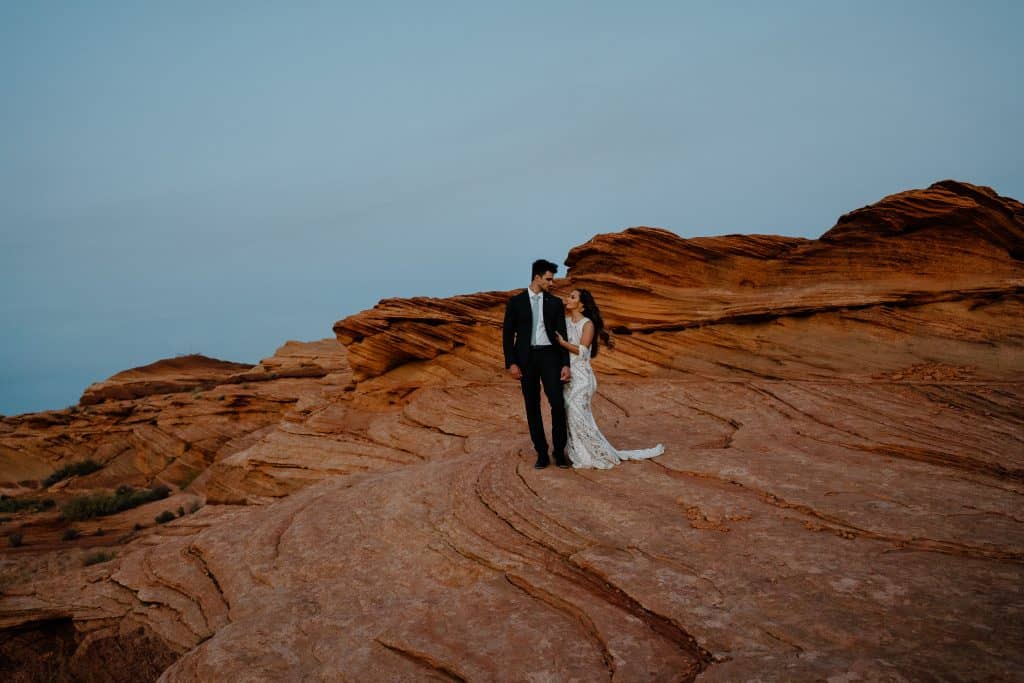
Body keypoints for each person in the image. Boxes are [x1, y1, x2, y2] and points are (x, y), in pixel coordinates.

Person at [554, 288, 665, 469]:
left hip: (582, 378)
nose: (567, 299)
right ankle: (582, 455)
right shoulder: (565, 322)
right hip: (568, 377)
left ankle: (600, 454)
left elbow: (582, 351)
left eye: (572, 297)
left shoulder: (587, 324)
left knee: (577, 414)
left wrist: (562, 343)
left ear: (581, 305)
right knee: (572, 417)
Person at [503, 259, 572, 469]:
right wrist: (511, 363)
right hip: (526, 359)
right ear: (537, 277)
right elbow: (507, 335)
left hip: (550, 356)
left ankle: (559, 452)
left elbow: (562, 335)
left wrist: (565, 364)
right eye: (549, 279)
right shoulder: (515, 302)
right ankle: (541, 453)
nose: (552, 283)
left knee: (558, 405)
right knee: (532, 406)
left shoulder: (555, 303)